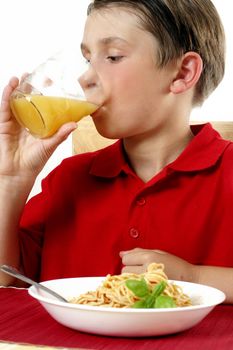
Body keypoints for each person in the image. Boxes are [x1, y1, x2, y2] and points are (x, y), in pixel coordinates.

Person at [1, 0, 233, 303]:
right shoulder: (68, 180)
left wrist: (193, 277)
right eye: (88, 59)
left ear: (182, 73)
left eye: (112, 56)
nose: (85, 79)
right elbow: (6, 278)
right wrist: (11, 180)